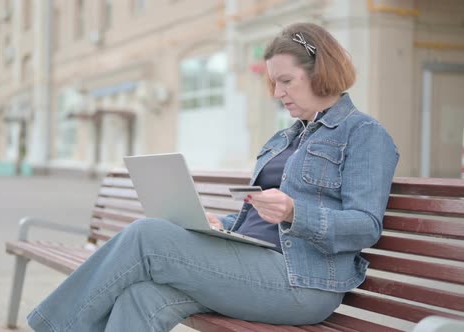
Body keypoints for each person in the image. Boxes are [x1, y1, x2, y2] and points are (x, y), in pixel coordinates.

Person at [27, 22, 399, 332]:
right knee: (142, 295)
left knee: (147, 236)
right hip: (251, 265)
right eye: (273, 82)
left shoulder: (363, 133)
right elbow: (255, 218)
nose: (277, 92)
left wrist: (293, 213)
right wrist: (220, 224)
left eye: (286, 80)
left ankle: (51, 327)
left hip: (302, 281)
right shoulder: (284, 137)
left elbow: (365, 226)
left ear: (321, 72)